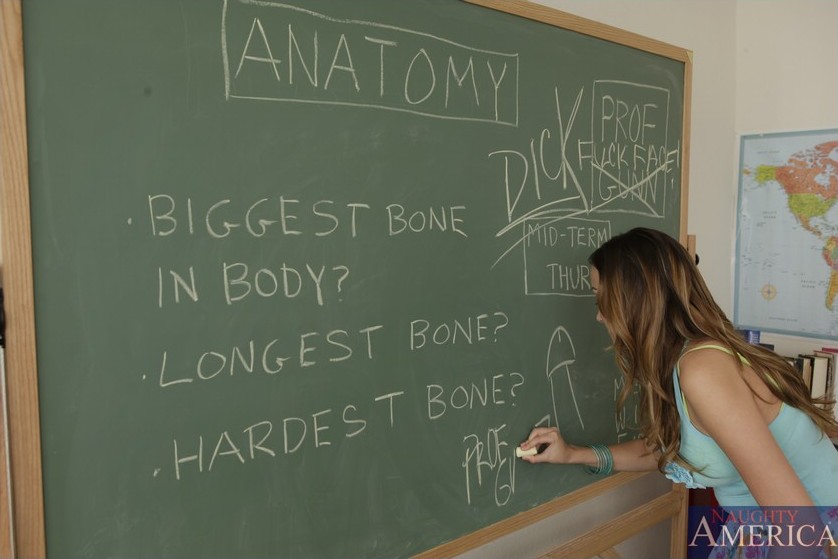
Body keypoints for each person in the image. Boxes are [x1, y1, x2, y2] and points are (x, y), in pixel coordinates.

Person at [519, 227, 838, 558]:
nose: (599, 315)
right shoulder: (685, 359)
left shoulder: (703, 370)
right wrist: (573, 454)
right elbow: (666, 451)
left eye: (601, 297)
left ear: (636, 299)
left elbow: (802, 531)